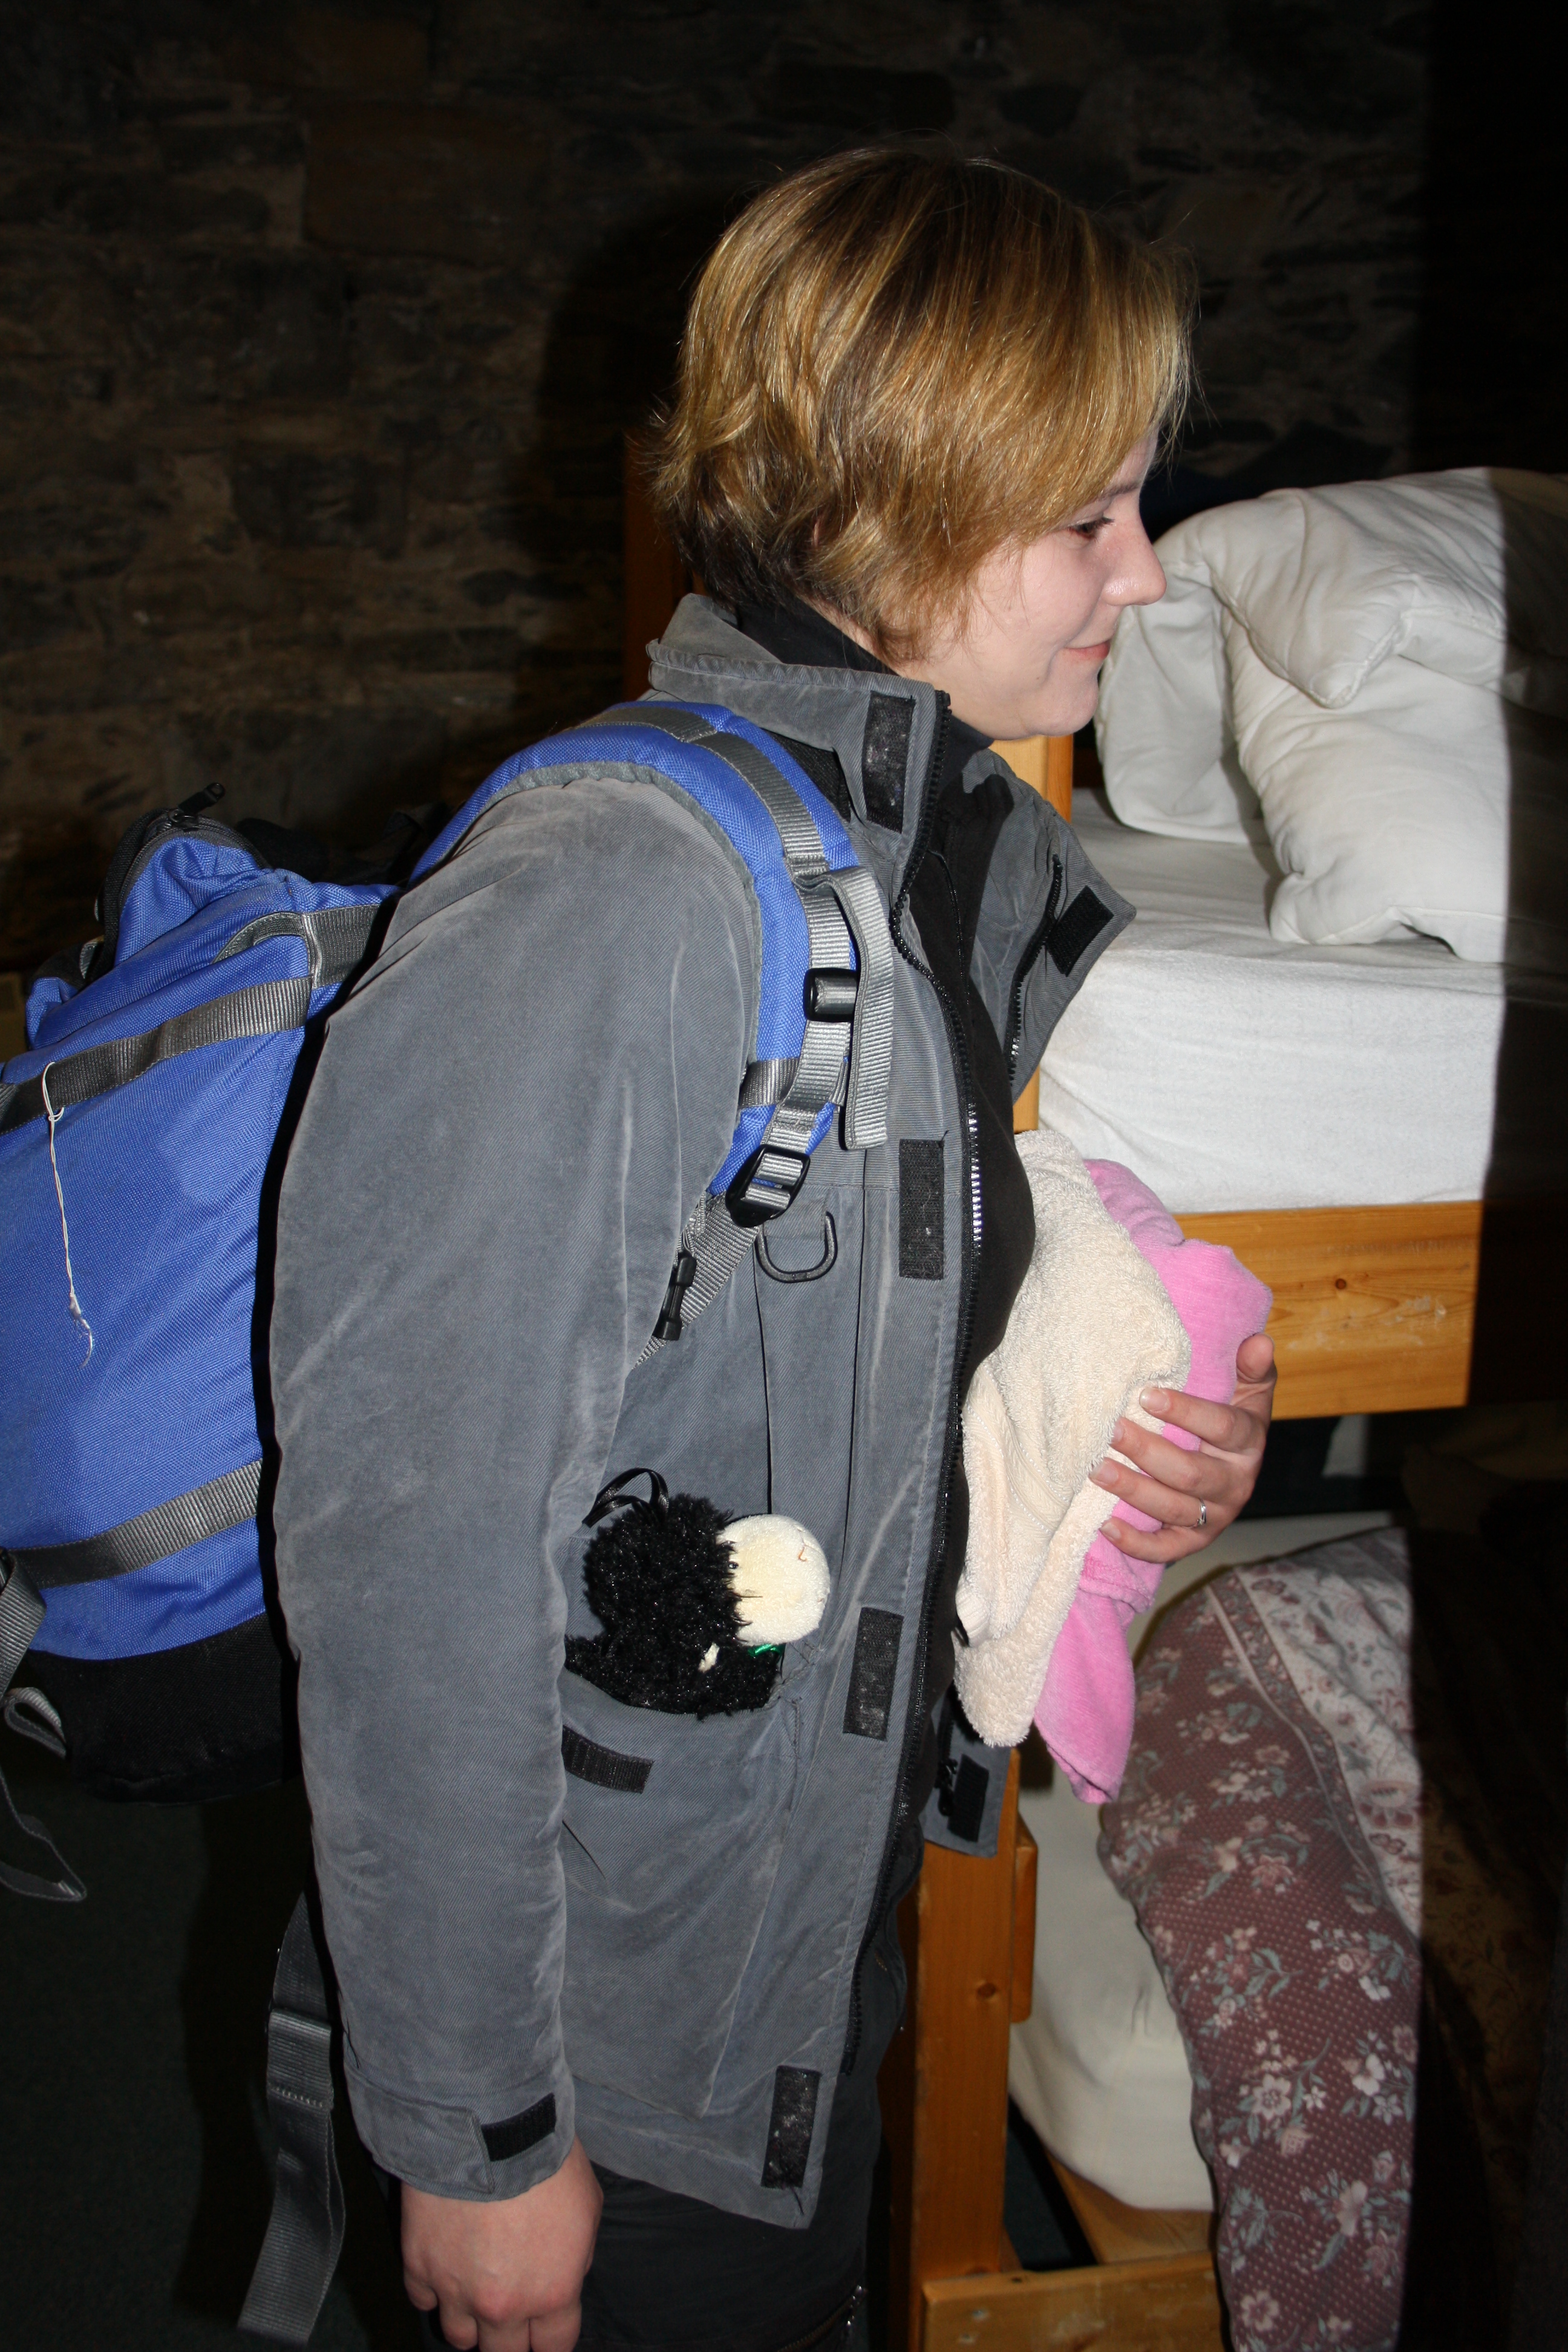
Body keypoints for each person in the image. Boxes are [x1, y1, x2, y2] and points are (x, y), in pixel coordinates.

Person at [269, 148, 1276, 2352]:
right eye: (1090, 515)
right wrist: (474, 2133)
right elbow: (412, 1558)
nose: (1149, 570)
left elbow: (854, 1328)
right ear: (904, 507)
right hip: (602, 2047)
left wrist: (1131, 1425)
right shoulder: (608, 898)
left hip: (780, 1962)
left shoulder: (898, 854)